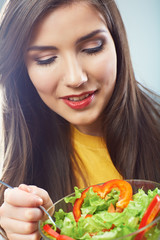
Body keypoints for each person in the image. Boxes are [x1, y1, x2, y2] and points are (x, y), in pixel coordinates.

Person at [0, 0, 159, 239]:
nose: (76, 78)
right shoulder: (18, 182)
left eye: (93, 47)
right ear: (22, 70)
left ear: (117, 42)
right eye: (46, 59)